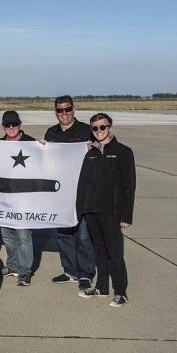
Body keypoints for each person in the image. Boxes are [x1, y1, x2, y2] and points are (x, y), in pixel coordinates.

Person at [77, 113, 135, 308]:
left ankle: (121, 292)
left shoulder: (123, 151)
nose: (99, 131)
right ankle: (102, 287)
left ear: (110, 127)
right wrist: (80, 210)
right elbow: (82, 184)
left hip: (112, 212)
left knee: (114, 252)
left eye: (103, 127)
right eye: (95, 128)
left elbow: (129, 186)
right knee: (99, 250)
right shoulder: (90, 153)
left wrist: (126, 216)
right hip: (91, 211)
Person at [44, 95, 96, 290]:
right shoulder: (51, 132)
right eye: (60, 110)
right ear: (56, 112)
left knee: (82, 235)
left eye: (67, 109)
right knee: (64, 234)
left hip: (82, 191)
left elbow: (101, 150)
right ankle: (70, 271)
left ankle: (86, 274)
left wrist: (94, 148)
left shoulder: (85, 131)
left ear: (73, 110)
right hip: (60, 193)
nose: (64, 113)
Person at [0, 111, 35, 286]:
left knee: (24, 236)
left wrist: (44, 147)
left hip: (24, 200)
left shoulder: (31, 143)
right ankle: (12, 266)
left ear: (20, 124)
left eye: (14, 125)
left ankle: (24, 270)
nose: (11, 128)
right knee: (7, 235)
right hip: (5, 200)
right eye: (7, 125)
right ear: (3, 127)